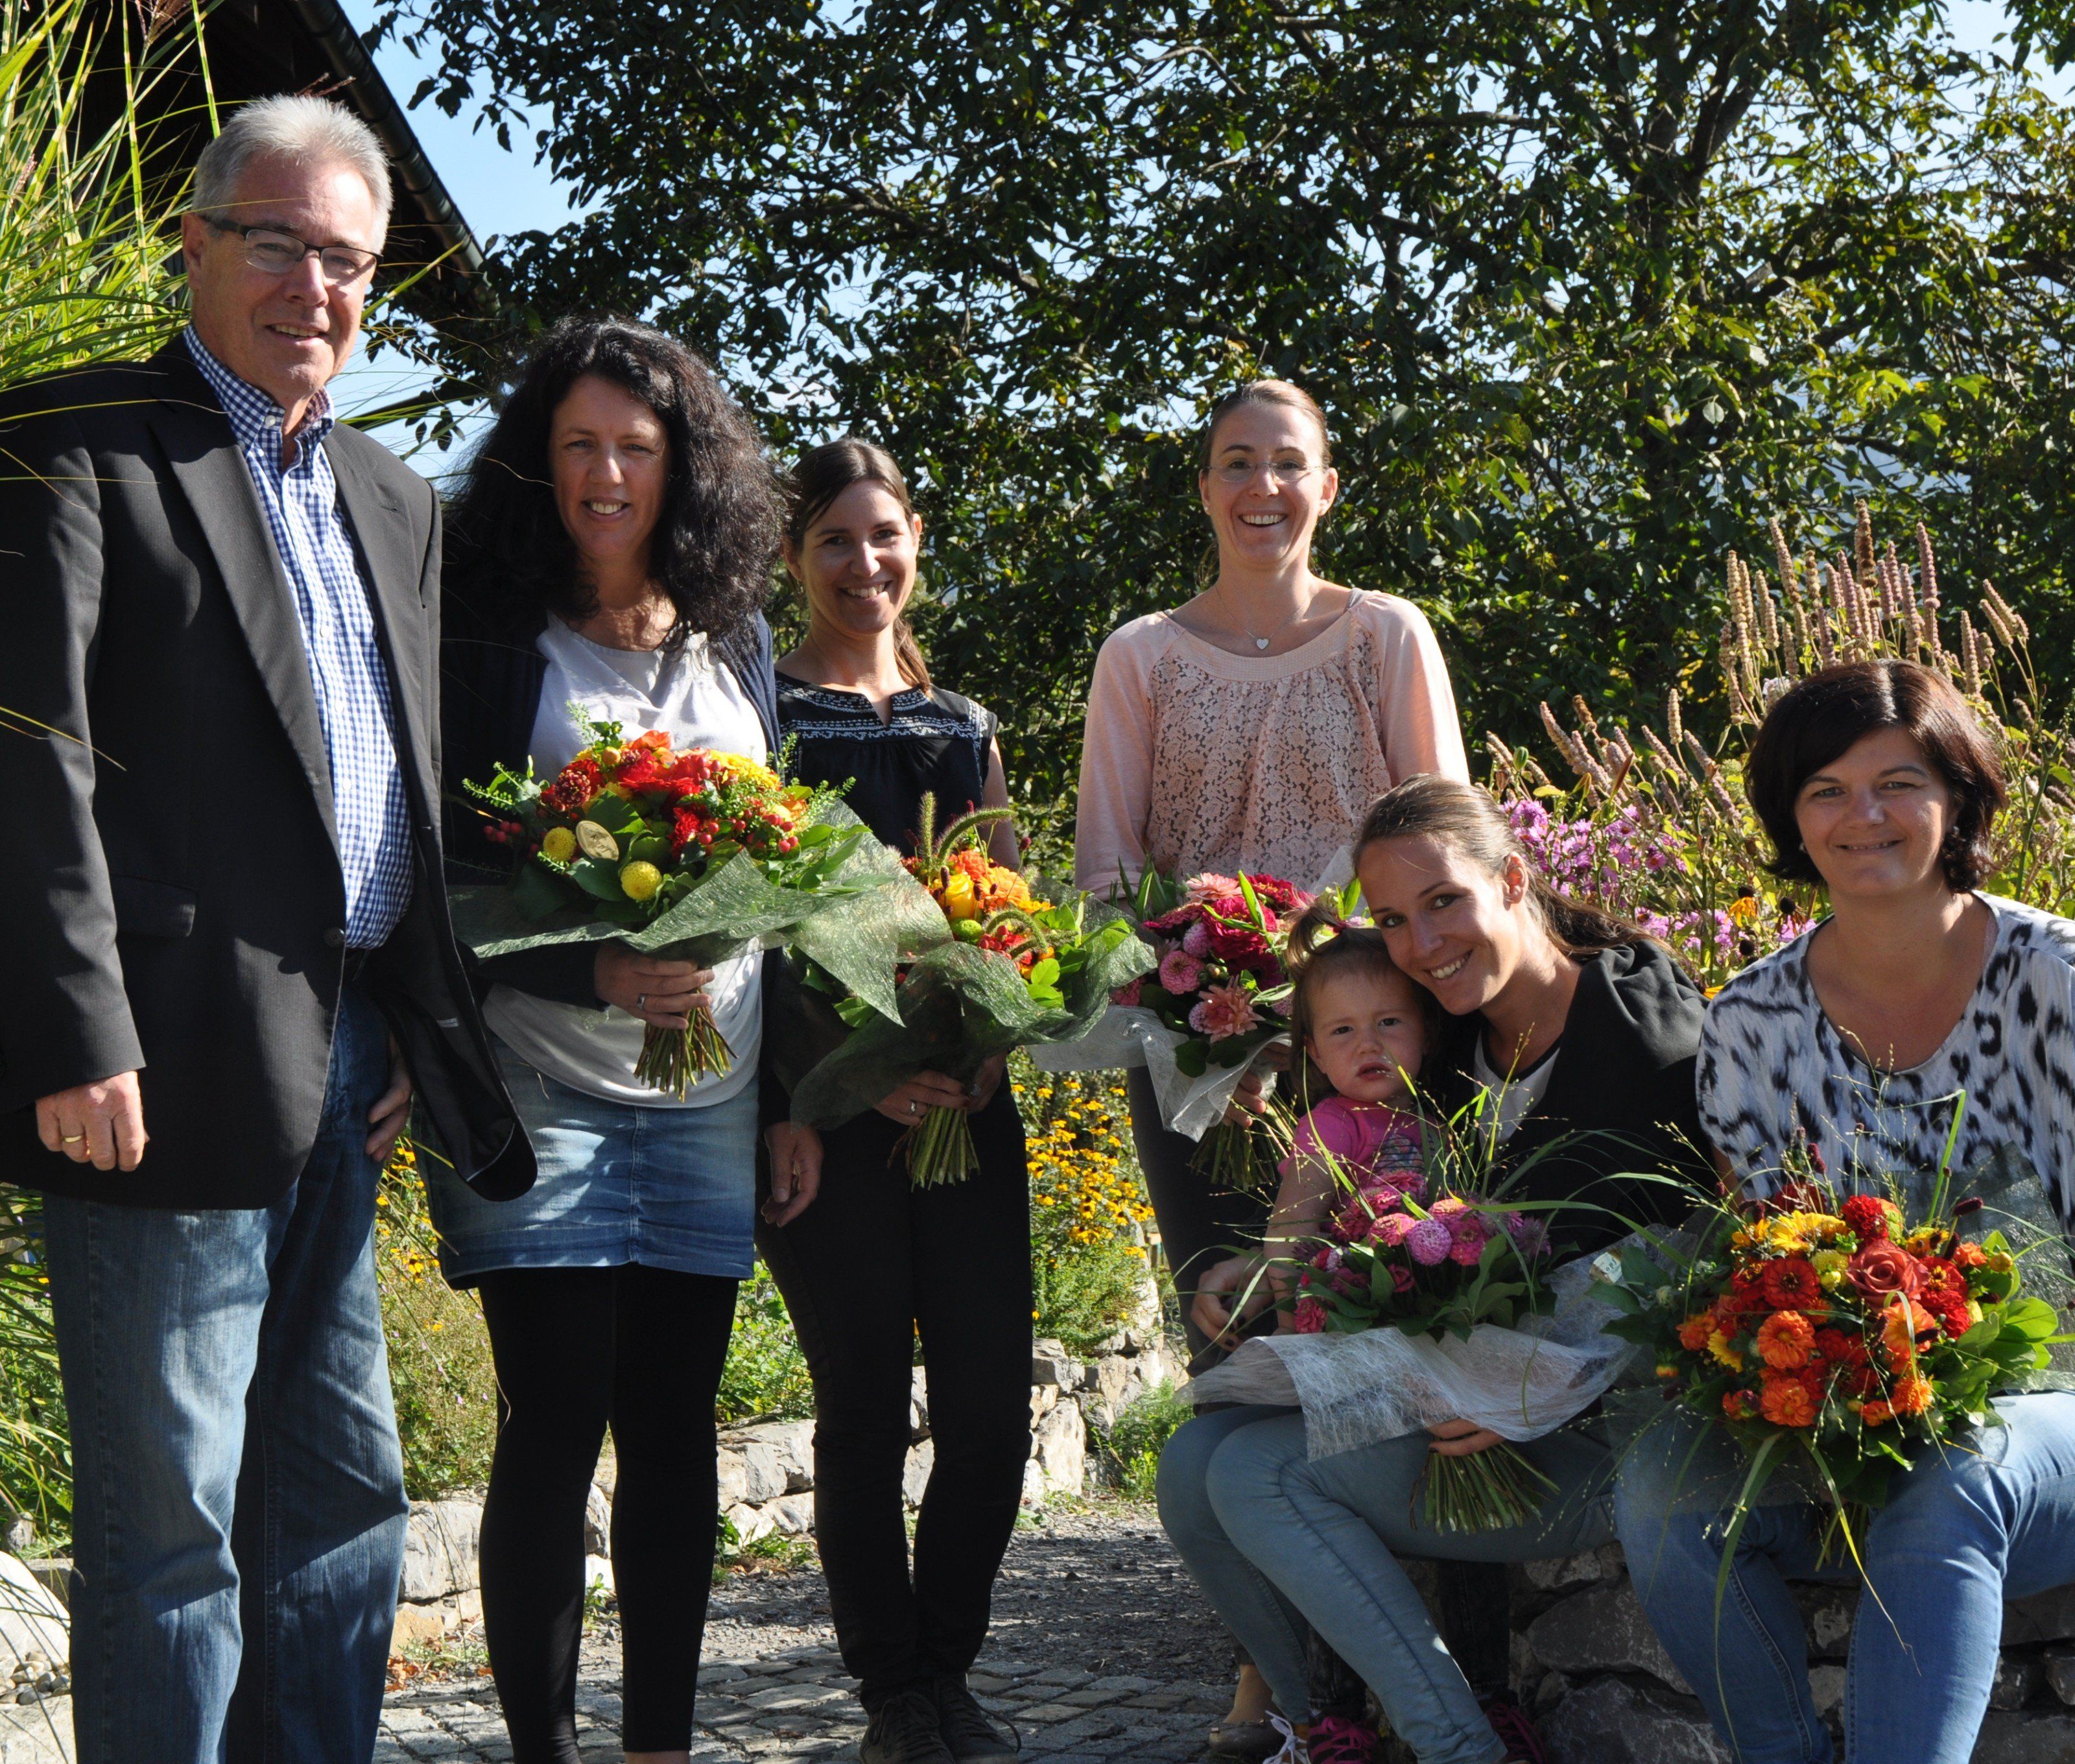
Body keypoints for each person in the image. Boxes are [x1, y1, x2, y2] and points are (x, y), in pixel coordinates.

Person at [0, 97, 534, 1763]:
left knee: (344, 1496)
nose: (317, 285)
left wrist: (414, 1023)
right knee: (172, 1530)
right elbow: (31, 770)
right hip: (154, 1070)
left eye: (349, 259)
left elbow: (411, 790)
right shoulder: (68, 440)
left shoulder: (392, 495)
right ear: (197, 244)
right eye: (280, 242)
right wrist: (78, 1032)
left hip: (347, 1056)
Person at [431, 316, 822, 1764]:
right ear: (540, 462)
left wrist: (785, 1094)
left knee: (675, 1430)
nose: (606, 473)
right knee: (553, 1418)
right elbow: (438, 884)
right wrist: (596, 963)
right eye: (580, 444)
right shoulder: (482, 634)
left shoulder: (741, 643)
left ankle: (658, 1745)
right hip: (541, 1090)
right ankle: (542, 1750)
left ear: (685, 471)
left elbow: (783, 890)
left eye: (637, 450)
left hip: (710, 1094)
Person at [1074, 377, 1470, 1756]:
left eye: (1286, 463)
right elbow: (1108, 875)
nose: (1262, 487)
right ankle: (1266, 1673)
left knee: (1375, 1336)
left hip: (1368, 1050)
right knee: (1233, 1333)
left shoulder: (1385, 636)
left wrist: (1329, 991)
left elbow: (1446, 841)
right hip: (1195, 1055)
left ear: (1328, 485)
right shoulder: (1140, 654)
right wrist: (1208, 1013)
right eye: (1234, 463)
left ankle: (1413, 1652)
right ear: (1201, 487)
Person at [1160, 776, 1708, 1764]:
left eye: (1444, 901)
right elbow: (1382, 1201)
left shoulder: (1640, 1033)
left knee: (1254, 1471)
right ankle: (1330, 1723)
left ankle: (1458, 1747)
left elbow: (1699, 1259)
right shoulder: (1445, 1044)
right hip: (1458, 1416)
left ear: (1514, 878)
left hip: (1605, 1440)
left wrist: (1531, 1394)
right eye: (1392, 920)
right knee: (1190, 1465)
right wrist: (1257, 1269)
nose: (1420, 943)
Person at [1613, 659, 2075, 1764]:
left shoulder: (2057, 980)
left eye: (1898, 781)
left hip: (2056, 1406)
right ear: (1790, 817)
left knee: (1951, 1481)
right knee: (1662, 1493)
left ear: (1957, 797)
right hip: (1849, 1409)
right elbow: (1770, 1248)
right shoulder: (1751, 1020)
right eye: (1825, 789)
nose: (1862, 815)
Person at [757, 438, 1026, 1764]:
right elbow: (750, 927)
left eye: (885, 537)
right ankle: (893, 1696)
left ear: (917, 539)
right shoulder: (765, 715)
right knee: (861, 1405)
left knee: (988, 1408)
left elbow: (1017, 923)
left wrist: (987, 1045)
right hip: (829, 1124)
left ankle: (950, 1668)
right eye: (835, 542)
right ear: (794, 558)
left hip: (968, 1114)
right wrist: (832, 1085)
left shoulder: (964, 729)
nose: (866, 566)